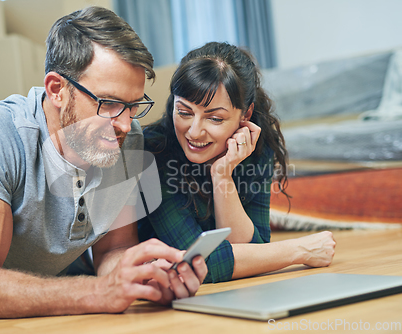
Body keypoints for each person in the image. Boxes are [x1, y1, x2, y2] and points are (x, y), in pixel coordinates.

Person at [0, 7, 207, 318]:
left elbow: (112, 251)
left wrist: (145, 277)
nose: (126, 124)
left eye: (132, 106)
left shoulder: (124, 138)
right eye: (109, 103)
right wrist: (99, 291)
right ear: (57, 90)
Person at [138, 42, 336, 283]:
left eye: (215, 118)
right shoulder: (152, 154)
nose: (194, 131)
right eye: (184, 112)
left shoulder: (256, 148)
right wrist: (299, 250)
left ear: (246, 115)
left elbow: (256, 250)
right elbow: (195, 265)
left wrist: (222, 175)